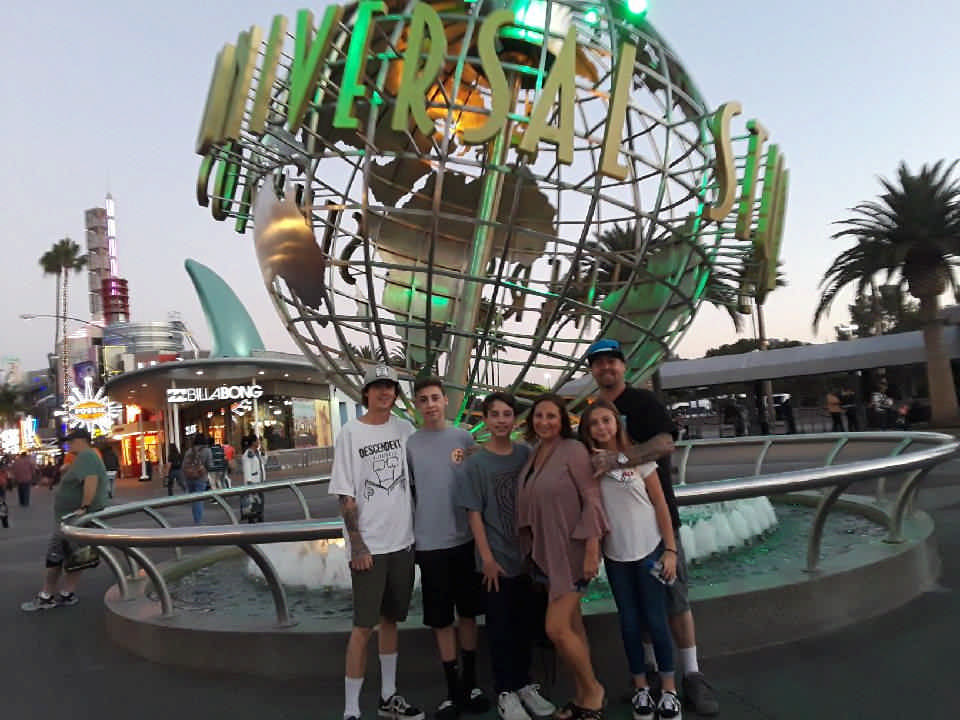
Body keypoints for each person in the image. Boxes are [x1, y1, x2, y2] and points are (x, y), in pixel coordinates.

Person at [586, 339, 719, 716]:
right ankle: (648, 675)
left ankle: (691, 675)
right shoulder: (594, 413)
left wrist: (619, 459)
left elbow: (664, 443)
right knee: (638, 609)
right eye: (598, 363)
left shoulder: (643, 402)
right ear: (592, 371)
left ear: (623, 366)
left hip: (659, 527)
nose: (606, 368)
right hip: (621, 537)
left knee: (675, 601)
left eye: (612, 361)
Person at [328, 364, 424, 720]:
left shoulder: (405, 429)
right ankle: (351, 709)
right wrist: (357, 545)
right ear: (366, 393)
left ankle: (388, 696)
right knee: (362, 627)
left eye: (390, 387)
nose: (385, 392)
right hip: (370, 548)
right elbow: (345, 494)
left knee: (390, 621)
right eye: (378, 386)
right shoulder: (350, 433)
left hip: (403, 543)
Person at [579, 400, 682, 720]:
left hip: (649, 550)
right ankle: (640, 686)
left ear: (617, 422)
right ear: (587, 430)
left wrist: (670, 550)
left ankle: (669, 689)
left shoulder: (638, 458)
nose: (601, 427)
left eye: (606, 420)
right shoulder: (589, 465)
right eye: (594, 423)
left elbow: (660, 504)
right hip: (616, 557)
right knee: (629, 622)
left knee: (656, 619)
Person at [457, 392, 556, 720]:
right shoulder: (475, 464)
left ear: (515, 419)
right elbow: (474, 513)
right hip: (495, 561)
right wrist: (486, 558)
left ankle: (524, 685)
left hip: (526, 559)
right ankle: (505, 691)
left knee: (524, 625)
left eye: (507, 414)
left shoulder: (526, 454)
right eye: (495, 414)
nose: (501, 420)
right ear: (485, 420)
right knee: (500, 628)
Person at [516, 394, 608, 720]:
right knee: (572, 627)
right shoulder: (535, 454)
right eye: (539, 416)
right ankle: (582, 696)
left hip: (572, 553)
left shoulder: (574, 450)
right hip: (546, 554)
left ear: (562, 420)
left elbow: (592, 497)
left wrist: (593, 547)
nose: (544, 422)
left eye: (551, 416)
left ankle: (594, 691)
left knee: (556, 628)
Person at [406, 376, 488, 719]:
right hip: (429, 545)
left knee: (468, 614)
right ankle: (452, 691)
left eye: (435, 398)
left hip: (464, 541)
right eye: (423, 399)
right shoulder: (410, 445)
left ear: (445, 400)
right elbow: (408, 494)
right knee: (441, 619)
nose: (430, 404)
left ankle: (471, 683)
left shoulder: (463, 438)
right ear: (417, 405)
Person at [21, 427, 109, 611]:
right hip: (73, 518)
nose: (69, 445)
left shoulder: (87, 455)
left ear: (81, 440)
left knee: (56, 556)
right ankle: (67, 593)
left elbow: (91, 480)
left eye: (71, 441)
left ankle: (46, 596)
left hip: (72, 519)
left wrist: (84, 507)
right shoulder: (84, 457)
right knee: (76, 556)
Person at [182, 433, 213, 524]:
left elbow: (183, 466)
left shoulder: (189, 450)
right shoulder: (207, 450)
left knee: (194, 499)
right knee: (199, 499)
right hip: (201, 477)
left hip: (189, 478)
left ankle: (196, 518)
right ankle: (198, 521)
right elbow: (210, 465)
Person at [240, 434, 266, 523]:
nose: (259, 442)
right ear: (253, 442)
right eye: (257, 441)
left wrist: (263, 453)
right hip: (253, 482)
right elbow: (247, 469)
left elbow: (263, 462)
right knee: (253, 501)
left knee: (260, 500)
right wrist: (249, 481)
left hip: (260, 481)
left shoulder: (257, 452)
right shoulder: (248, 454)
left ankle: (259, 516)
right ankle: (253, 518)